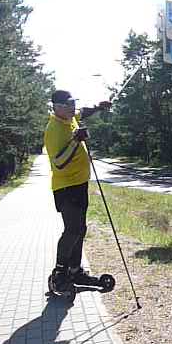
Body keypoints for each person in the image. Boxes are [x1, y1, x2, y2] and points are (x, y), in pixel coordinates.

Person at [44, 89, 111, 291]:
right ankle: (59, 274)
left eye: (74, 103)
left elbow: (83, 112)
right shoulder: (54, 129)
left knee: (80, 229)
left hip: (80, 184)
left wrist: (99, 107)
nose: (73, 107)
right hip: (65, 187)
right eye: (69, 104)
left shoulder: (69, 118)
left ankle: (75, 271)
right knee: (72, 230)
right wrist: (76, 140)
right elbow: (59, 163)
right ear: (57, 107)